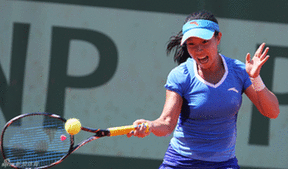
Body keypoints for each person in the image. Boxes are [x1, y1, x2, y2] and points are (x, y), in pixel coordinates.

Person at [127, 10, 280, 169]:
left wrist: (255, 78)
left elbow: (272, 112)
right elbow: (167, 123)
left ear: (218, 38)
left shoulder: (239, 72)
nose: (198, 50)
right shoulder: (181, 75)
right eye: (191, 44)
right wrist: (150, 126)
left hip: (223, 164)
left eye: (205, 42)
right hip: (180, 163)